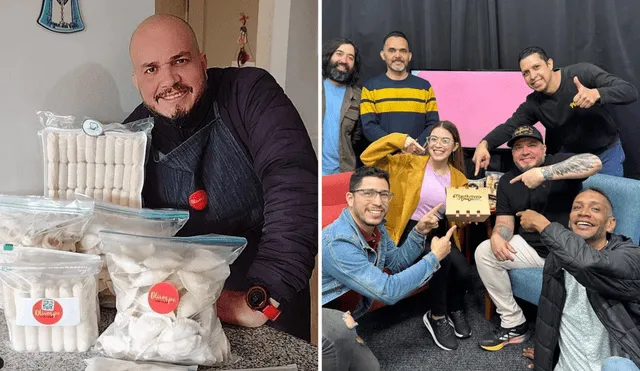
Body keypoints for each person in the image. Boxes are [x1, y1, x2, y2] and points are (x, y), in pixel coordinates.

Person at [124, 14, 317, 340]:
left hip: (264, 276)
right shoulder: (130, 135)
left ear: (202, 62)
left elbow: (293, 182)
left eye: (179, 61)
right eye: (151, 69)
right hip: (182, 298)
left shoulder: (249, 93)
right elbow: (126, 235)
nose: (169, 80)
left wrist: (265, 292)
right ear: (136, 80)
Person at [474, 125, 602, 351]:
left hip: (566, 252)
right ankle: (514, 323)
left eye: (531, 145)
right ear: (512, 154)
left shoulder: (559, 162)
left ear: (543, 149)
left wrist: (544, 173)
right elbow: (505, 221)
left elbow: (594, 163)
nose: (524, 151)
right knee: (484, 251)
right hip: (531, 250)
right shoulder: (507, 181)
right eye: (518, 148)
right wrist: (497, 235)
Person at [322, 166, 456, 369]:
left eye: (384, 194)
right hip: (322, 316)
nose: (377, 201)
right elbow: (388, 291)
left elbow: (395, 263)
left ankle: (345, 331)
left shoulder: (376, 228)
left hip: (348, 315)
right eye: (368, 193)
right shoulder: (339, 242)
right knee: (336, 334)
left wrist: (419, 232)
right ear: (350, 198)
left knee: (371, 368)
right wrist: (434, 257)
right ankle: (340, 332)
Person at [360, 121, 472, 350]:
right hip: (408, 228)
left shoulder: (459, 178)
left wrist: (465, 218)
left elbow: (458, 217)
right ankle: (437, 316)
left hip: (440, 228)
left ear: (455, 146)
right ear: (427, 142)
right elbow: (367, 158)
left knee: (463, 269)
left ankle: (456, 308)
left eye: (445, 141)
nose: (438, 145)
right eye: (434, 139)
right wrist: (400, 140)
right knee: (441, 257)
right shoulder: (408, 163)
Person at [517, 188, 640, 371]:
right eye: (577, 207)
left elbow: (588, 264)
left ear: (610, 224)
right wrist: (546, 356)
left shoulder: (630, 256)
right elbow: (548, 316)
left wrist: (542, 224)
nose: (584, 213)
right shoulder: (556, 258)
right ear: (569, 222)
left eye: (595, 209)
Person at [472, 46, 638, 177]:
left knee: (608, 203)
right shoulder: (534, 104)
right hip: (572, 159)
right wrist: (484, 144)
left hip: (607, 153)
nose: (533, 76)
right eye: (526, 73)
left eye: (536, 67)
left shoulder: (581, 73)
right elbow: (510, 127)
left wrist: (597, 94)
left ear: (549, 64)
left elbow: (629, 91)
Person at [360, 31, 439, 145]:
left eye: (403, 51)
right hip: (384, 160)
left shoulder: (424, 87)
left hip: (417, 158)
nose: (398, 56)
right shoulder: (370, 88)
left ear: (409, 56)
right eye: (392, 50)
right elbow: (369, 127)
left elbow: (433, 124)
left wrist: (414, 146)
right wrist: (400, 144)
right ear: (383, 55)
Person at [322, 37, 362, 175]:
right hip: (311, 173)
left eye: (350, 57)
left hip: (342, 173)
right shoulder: (313, 86)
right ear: (329, 56)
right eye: (339, 54)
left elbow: (357, 137)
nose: (344, 60)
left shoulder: (358, 96)